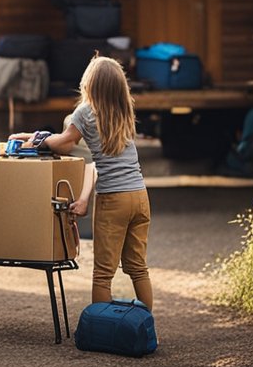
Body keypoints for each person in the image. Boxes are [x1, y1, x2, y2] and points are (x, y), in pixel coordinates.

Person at [10, 55, 153, 311]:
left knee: (103, 273)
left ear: (89, 84)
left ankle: (102, 330)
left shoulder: (86, 111)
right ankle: (146, 325)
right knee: (137, 268)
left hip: (114, 200)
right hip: (139, 196)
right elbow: (98, 162)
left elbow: (65, 141)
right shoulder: (124, 110)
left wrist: (36, 139)